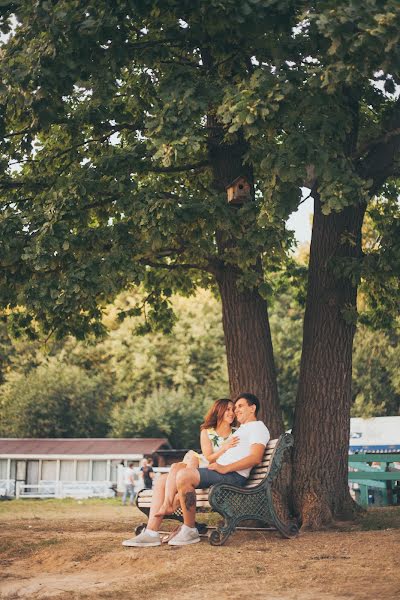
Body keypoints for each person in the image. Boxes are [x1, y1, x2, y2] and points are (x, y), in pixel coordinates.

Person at [122, 392, 270, 547]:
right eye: (235, 407)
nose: (236, 410)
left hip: (232, 475)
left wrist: (225, 468)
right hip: (220, 470)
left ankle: (189, 529)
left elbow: (256, 457)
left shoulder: (258, 428)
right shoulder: (242, 429)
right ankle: (151, 533)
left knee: (184, 476)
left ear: (252, 408)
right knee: (162, 480)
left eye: (240, 406)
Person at [155, 398, 238, 518]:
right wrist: (224, 448)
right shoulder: (207, 431)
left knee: (183, 464)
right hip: (204, 463)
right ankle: (168, 503)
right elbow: (209, 457)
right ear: (219, 411)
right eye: (227, 409)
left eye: (233, 410)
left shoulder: (237, 432)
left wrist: (225, 449)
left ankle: (172, 503)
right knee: (178, 465)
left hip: (216, 467)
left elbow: (215, 460)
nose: (232, 413)